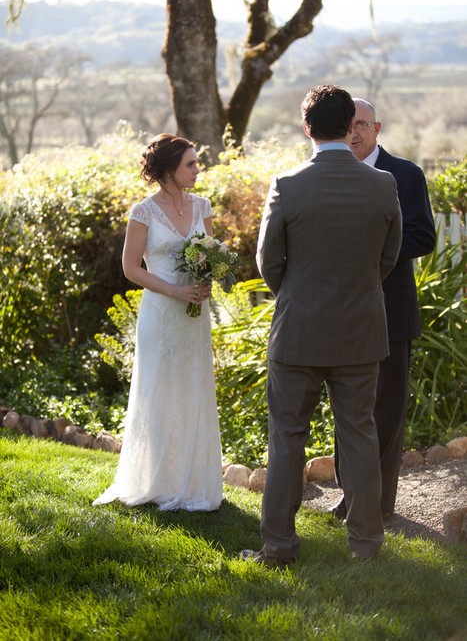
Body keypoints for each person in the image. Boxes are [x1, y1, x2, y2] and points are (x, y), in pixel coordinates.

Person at [240, 84, 402, 565]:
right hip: (360, 330)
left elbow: (268, 262)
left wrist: (300, 293)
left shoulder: (287, 185)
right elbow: (387, 258)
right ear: (350, 127)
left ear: (307, 127)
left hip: (299, 332)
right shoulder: (383, 184)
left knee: (287, 437)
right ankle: (366, 546)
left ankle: (278, 545)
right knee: (359, 435)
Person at [93, 133, 223, 511]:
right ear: (169, 169)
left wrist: (206, 282)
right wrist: (174, 290)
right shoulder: (143, 211)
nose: (198, 169)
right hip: (161, 315)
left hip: (194, 316)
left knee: (193, 388)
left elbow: (211, 256)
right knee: (159, 390)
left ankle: (195, 481)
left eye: (197, 163)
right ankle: (156, 479)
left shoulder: (203, 206)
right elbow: (131, 268)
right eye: (191, 164)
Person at [329, 98, 436, 521]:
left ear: (378, 128)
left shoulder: (405, 175)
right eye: (347, 125)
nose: (353, 132)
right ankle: (349, 494)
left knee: (386, 410)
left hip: (391, 309)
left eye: (361, 124)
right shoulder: (330, 172)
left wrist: (369, 256)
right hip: (339, 312)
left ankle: (380, 502)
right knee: (346, 406)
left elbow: (423, 237)